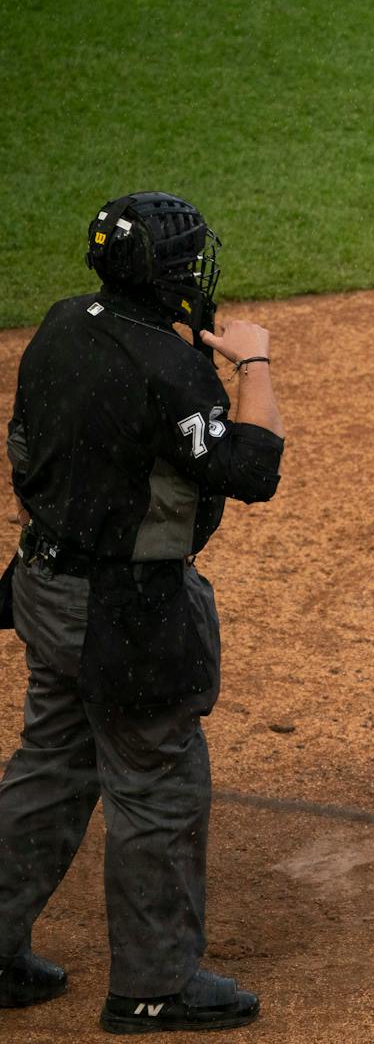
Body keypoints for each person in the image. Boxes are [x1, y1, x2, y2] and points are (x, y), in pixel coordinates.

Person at [0, 192, 284, 1034]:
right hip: (125, 613)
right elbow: (253, 466)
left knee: (48, 769)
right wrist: (253, 365)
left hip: (42, 587)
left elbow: (39, 445)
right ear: (165, 273)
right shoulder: (172, 371)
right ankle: (153, 986)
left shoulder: (60, 325)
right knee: (157, 785)